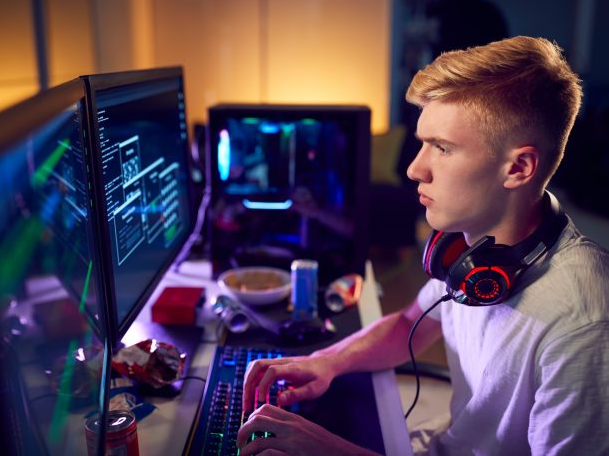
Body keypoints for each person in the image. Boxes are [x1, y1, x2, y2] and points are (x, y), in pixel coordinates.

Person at [235, 35, 609, 455]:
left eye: (443, 148)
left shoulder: (584, 325)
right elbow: (406, 327)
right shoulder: (473, 257)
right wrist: (324, 362)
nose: (415, 169)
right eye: (423, 143)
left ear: (519, 167)